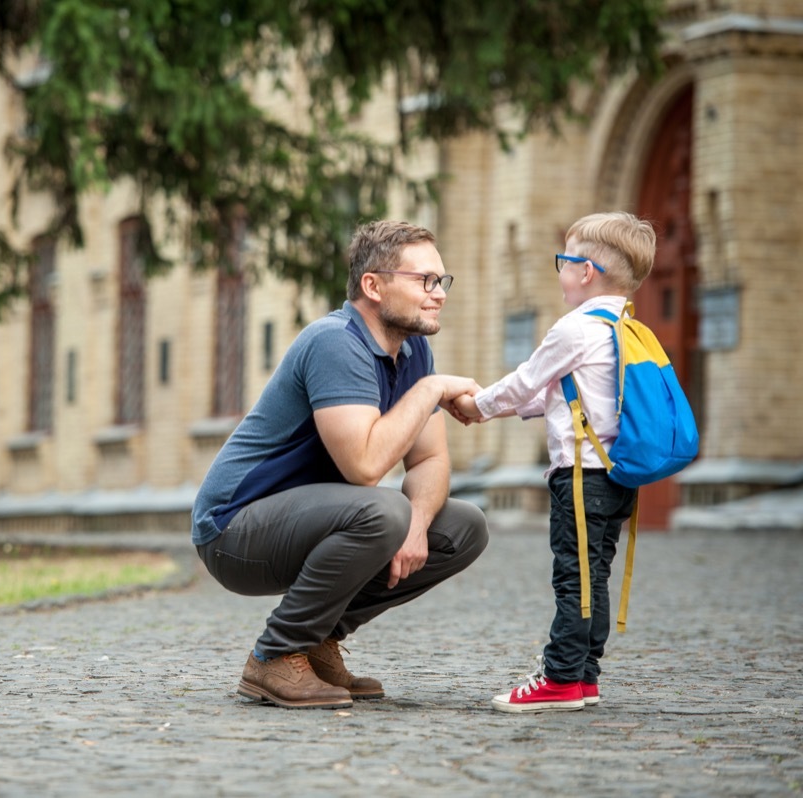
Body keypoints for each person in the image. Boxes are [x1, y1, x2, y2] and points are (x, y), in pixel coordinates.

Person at [191, 219, 490, 710]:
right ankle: (275, 654)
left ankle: (317, 642)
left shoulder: (414, 349)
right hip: (233, 530)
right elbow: (366, 467)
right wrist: (431, 388)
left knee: (463, 526)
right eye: (424, 281)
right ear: (373, 285)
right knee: (382, 512)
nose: (438, 293)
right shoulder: (335, 342)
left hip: (309, 522)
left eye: (441, 281)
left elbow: (431, 459)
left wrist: (417, 526)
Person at [453, 211, 657, 713]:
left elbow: (527, 380)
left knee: (573, 577)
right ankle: (586, 674)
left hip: (580, 475)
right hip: (617, 478)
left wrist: (476, 407)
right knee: (595, 575)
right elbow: (557, 394)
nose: (559, 272)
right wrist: (493, 408)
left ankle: (561, 676)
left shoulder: (574, 329)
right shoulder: (623, 327)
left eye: (562, 262)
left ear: (584, 271)